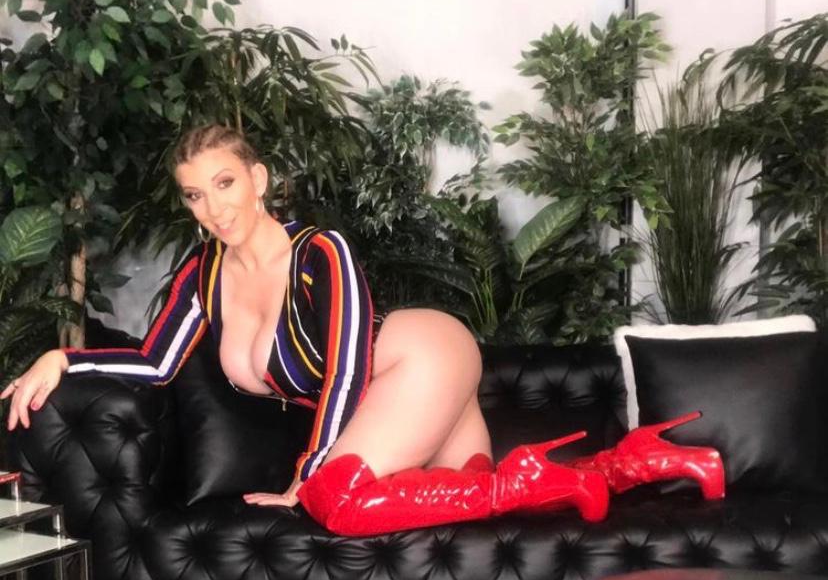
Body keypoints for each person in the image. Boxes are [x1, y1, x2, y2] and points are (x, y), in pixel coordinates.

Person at [1, 124, 725, 537]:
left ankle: (554, 473)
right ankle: (634, 463)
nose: (214, 208)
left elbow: (347, 368)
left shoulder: (320, 251)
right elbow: (157, 361)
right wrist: (62, 358)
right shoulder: (204, 273)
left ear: (257, 178)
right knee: (485, 498)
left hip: (425, 357)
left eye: (224, 183)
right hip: (398, 400)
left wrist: (305, 476)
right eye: (195, 194)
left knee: (337, 500)